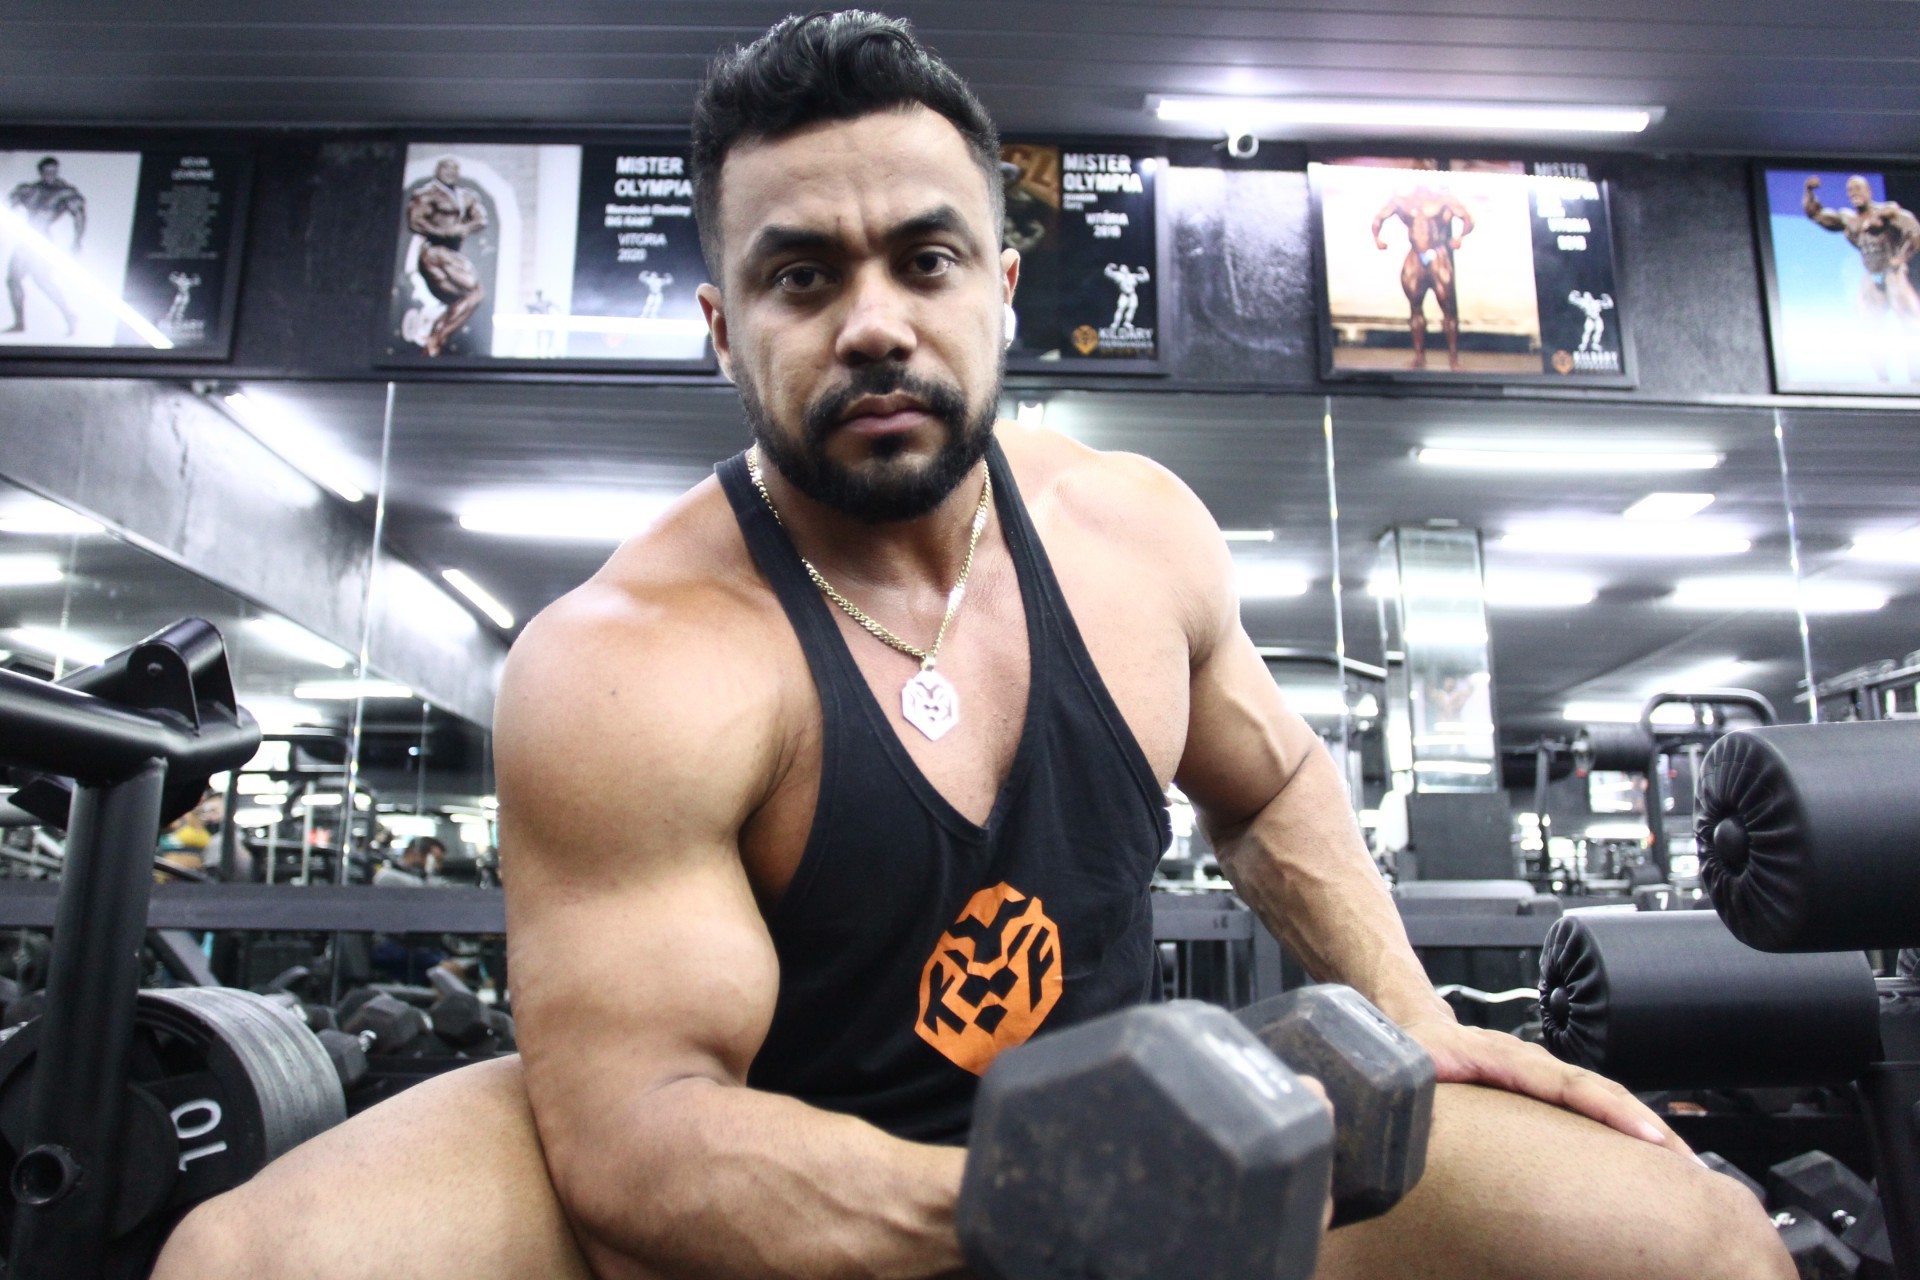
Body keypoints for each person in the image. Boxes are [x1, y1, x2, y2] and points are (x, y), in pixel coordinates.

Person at [156, 13, 1788, 1279]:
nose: (872, 320)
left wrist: (1414, 1020)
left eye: (923, 260)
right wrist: (1055, 1202)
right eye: (801, 276)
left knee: (1695, 1237)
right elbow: (642, 1144)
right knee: (244, 1262)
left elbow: (1275, 784)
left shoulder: (1136, 536)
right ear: (722, 329)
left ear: (1001, 290)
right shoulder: (628, 661)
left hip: (1149, 1129)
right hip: (773, 1182)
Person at [1804, 173, 1920, 381]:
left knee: (1911, 321)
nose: (1854, 193)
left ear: (1868, 191)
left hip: (1892, 273)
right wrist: (1809, 191)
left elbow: (1915, 231)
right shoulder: (1848, 219)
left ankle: (1915, 381)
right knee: (1869, 328)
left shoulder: (1886, 212)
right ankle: (1883, 384)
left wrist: (1901, 257)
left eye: (1858, 189)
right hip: (1872, 275)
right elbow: (1816, 214)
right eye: (1850, 190)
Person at [1372, 180, 1474, 369]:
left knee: (1447, 308)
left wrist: (1460, 237)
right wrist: (1377, 238)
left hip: (1437, 255)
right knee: (1415, 307)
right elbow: (1379, 218)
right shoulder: (1402, 200)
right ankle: (1419, 357)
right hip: (1415, 256)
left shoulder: (1442, 199)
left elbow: (1468, 219)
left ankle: (1453, 360)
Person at [405, 157, 489, 357]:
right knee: (472, 288)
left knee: (472, 296)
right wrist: (444, 232)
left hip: (451, 253)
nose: (450, 173)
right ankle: (436, 338)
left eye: (454, 170)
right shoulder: (427, 194)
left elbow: (481, 219)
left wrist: (463, 228)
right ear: (438, 171)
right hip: (434, 252)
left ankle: (435, 338)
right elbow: (415, 221)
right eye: (446, 169)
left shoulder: (465, 196)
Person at [5, 156, 85, 336]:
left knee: (42, 280)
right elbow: (9, 204)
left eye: (53, 172)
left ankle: (69, 315)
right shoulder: (30, 189)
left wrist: (77, 241)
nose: (50, 175)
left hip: (42, 240)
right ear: (41, 172)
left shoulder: (64, 192)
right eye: (47, 172)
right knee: (13, 280)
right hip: (27, 239)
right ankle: (19, 323)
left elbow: (79, 216)